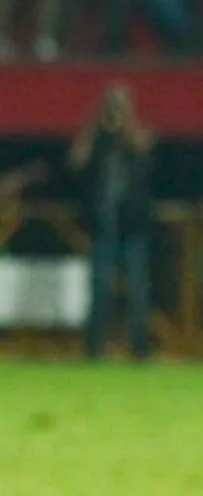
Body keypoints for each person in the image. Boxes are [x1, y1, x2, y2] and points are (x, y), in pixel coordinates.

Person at [70, 83, 153, 360]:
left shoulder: (137, 134)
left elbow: (142, 145)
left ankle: (140, 350)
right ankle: (94, 350)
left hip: (132, 225)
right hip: (102, 225)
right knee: (99, 290)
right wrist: (94, 121)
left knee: (137, 292)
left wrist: (128, 116)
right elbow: (76, 159)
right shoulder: (99, 139)